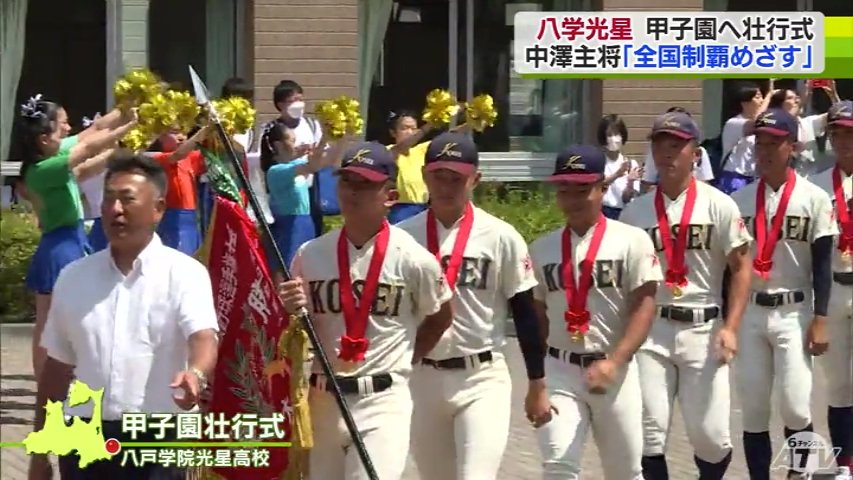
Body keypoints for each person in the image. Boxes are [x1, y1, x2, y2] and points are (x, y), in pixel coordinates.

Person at [28, 153, 219, 480]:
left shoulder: (185, 273)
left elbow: (203, 337)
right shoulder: (73, 277)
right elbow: (57, 369)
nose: (115, 210)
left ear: (158, 209)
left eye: (127, 200)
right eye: (109, 200)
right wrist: (39, 452)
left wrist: (196, 375)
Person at [278, 141, 454, 480]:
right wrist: (289, 308)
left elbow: (441, 315)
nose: (352, 192)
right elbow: (293, 329)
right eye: (346, 181)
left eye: (364, 184)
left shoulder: (414, 259)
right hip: (323, 400)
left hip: (382, 400)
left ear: (389, 196)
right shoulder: (311, 253)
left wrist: (406, 358)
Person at [396, 132, 548, 479]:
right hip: (423, 377)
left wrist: (537, 384)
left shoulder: (501, 235)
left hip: (481, 375)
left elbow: (524, 312)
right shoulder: (403, 237)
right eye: (439, 176)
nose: (447, 186)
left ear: (475, 179)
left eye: (457, 178)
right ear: (424, 175)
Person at [619, 112, 753, 480]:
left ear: (695, 153)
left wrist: (732, 326)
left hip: (703, 327)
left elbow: (741, 267)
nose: (668, 152)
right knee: (648, 433)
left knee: (710, 438)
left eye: (677, 144)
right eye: (661, 143)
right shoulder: (635, 213)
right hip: (652, 331)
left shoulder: (719, 205)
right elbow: (626, 279)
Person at [529, 144, 663, 479]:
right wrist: (538, 379)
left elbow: (645, 306)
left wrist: (615, 361)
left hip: (615, 369)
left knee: (626, 471)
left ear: (602, 188)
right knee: (558, 467)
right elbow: (537, 316)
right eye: (564, 190)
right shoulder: (542, 248)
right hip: (561, 368)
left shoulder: (632, 240)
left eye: (582, 189)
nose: (572, 198)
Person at [730, 108, 838, 480]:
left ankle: (800, 473)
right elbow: (728, 270)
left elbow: (823, 265)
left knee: (795, 405)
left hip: (794, 309)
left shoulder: (814, 198)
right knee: (755, 406)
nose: (764, 150)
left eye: (773, 143)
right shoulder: (739, 201)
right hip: (750, 314)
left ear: (792, 146)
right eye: (759, 142)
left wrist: (821, 318)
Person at [17, 95, 136, 381]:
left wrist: (126, 108)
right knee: (49, 321)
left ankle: (66, 380)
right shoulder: (44, 168)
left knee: (62, 316)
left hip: (69, 239)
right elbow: (87, 148)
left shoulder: (51, 156)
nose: (68, 129)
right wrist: (129, 126)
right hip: (59, 247)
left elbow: (91, 134)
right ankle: (47, 383)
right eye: (62, 126)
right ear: (44, 138)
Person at [809, 99, 853, 478]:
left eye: (851, 134)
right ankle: (844, 463)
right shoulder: (818, 186)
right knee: (838, 382)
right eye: (838, 134)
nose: (844, 141)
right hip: (835, 288)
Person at [259, 80, 325, 236]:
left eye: (300, 99)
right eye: (292, 101)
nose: (298, 105)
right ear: (280, 104)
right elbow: (269, 158)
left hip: (310, 188)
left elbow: (324, 157)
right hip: (286, 190)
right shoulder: (271, 129)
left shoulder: (312, 124)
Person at [150, 126, 209, 255]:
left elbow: (212, 155)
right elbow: (177, 155)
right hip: (171, 216)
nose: (181, 137)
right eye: (175, 133)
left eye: (184, 132)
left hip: (192, 218)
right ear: (160, 136)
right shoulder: (157, 158)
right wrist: (201, 134)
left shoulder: (191, 157)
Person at [768, 82, 841, 178]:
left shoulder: (809, 123)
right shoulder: (771, 126)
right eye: (790, 98)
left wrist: (833, 95)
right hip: (781, 179)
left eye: (797, 97)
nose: (797, 100)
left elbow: (839, 114)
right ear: (779, 104)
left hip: (808, 180)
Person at [717, 81, 775, 194]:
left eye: (763, 97)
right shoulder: (733, 123)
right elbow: (757, 122)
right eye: (758, 97)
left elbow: (778, 122)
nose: (762, 101)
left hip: (755, 178)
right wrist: (769, 95)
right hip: (735, 177)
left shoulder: (766, 121)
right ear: (744, 102)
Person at [640, 107, 715, 193]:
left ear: (695, 154)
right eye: (659, 146)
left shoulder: (718, 204)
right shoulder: (640, 205)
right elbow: (647, 181)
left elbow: (705, 181)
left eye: (675, 146)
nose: (666, 153)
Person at [385, 110, 433, 224]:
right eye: (404, 128)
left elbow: (450, 137)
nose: (410, 132)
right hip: (400, 209)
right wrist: (430, 124)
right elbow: (404, 145)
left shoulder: (421, 150)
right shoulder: (389, 151)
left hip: (424, 207)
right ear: (393, 133)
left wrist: (472, 121)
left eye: (413, 128)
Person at [596, 114, 641, 219]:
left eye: (616, 134)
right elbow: (596, 186)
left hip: (623, 214)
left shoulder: (630, 164)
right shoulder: (599, 162)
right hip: (603, 213)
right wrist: (617, 174)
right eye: (609, 135)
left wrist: (630, 182)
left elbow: (626, 199)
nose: (613, 139)